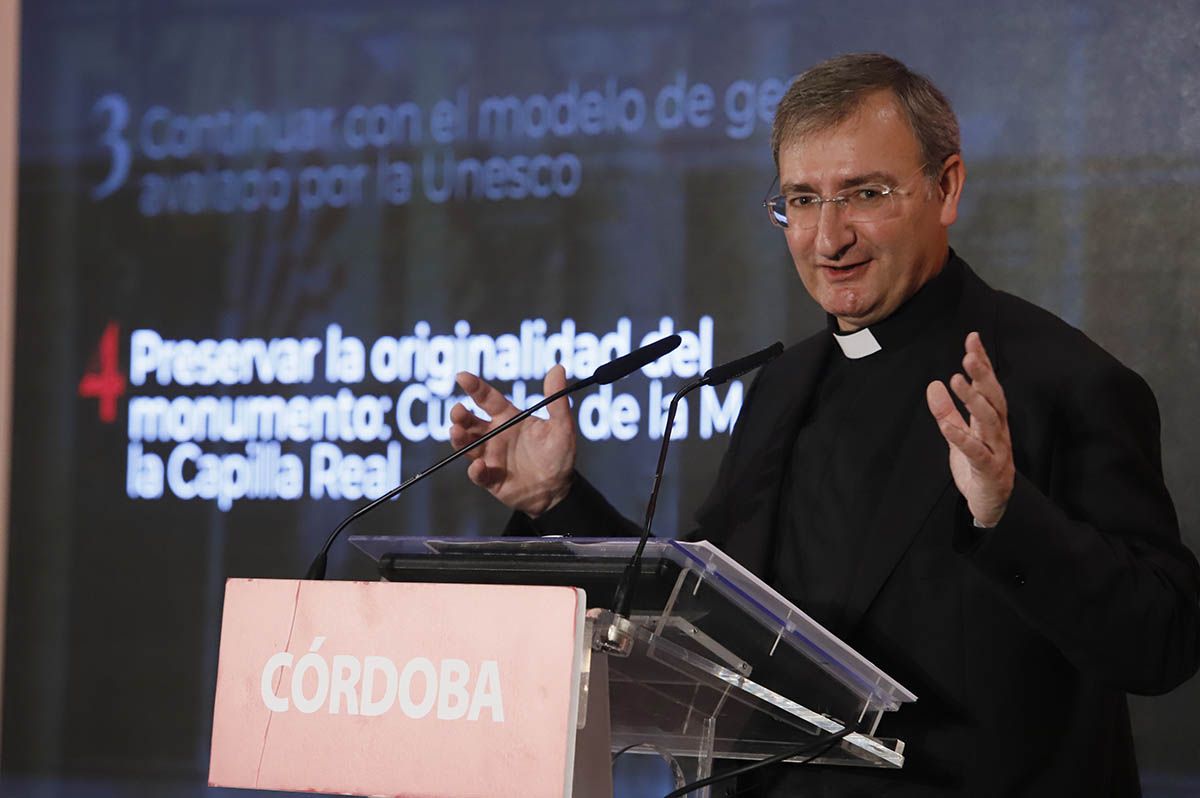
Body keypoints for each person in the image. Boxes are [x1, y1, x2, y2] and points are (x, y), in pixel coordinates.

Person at [448, 53, 1200, 796]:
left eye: (863, 194)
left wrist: (1008, 512)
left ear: (947, 187)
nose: (827, 237)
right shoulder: (781, 388)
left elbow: (1161, 644)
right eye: (801, 201)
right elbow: (704, 620)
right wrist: (555, 501)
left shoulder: (1062, 380)